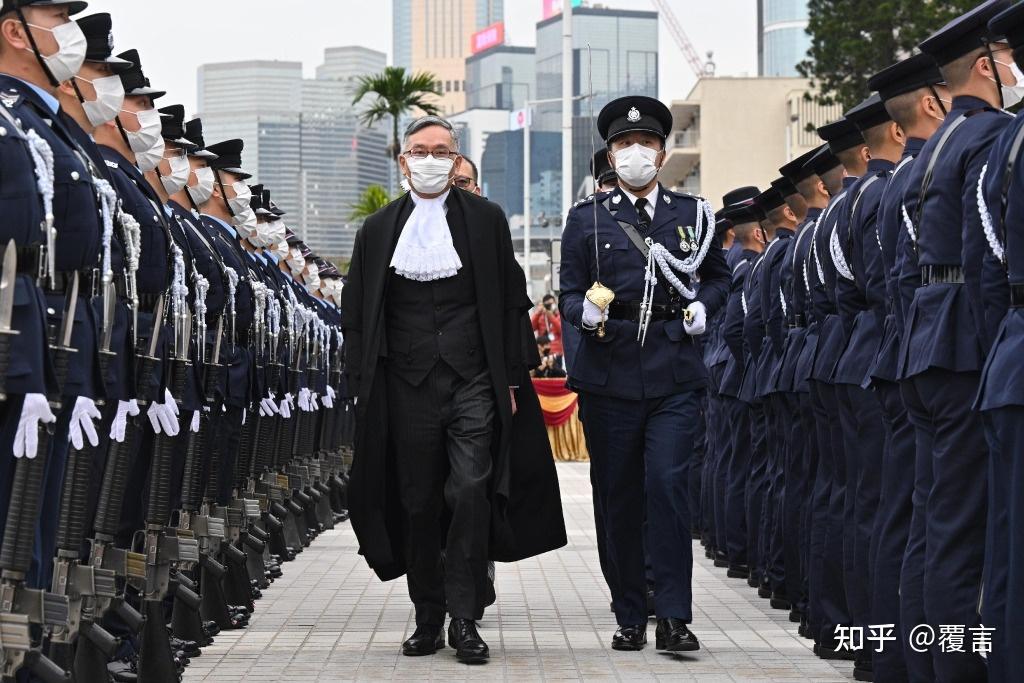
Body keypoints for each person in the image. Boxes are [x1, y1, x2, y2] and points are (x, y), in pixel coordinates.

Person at [340, 114, 565, 665]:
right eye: (421, 150)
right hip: (406, 386)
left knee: (469, 489)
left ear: (455, 155)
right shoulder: (377, 231)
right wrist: (362, 390)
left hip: (474, 380)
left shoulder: (486, 221)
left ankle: (466, 617)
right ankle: (427, 615)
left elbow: (511, 303)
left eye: (442, 151)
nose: (431, 160)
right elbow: (358, 317)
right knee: (418, 500)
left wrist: (514, 378)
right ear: (403, 160)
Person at [559, 95, 729, 652]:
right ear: (610, 154)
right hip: (609, 373)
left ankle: (674, 614)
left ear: (662, 152)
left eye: (647, 143)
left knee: (669, 487)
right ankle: (630, 611)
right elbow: (567, 290)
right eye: (625, 144)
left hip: (674, 368)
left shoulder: (694, 215)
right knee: (619, 496)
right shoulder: (586, 218)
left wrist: (707, 304)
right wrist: (580, 314)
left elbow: (717, 276)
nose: (636, 152)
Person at [899, 3, 1015, 679]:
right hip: (965, 344)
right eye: (1007, 57)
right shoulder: (989, 136)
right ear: (984, 64)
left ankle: (926, 666)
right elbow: (989, 259)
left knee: (935, 525)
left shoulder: (936, 148)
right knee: (969, 531)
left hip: (924, 339)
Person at [865, 51, 948, 683]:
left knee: (900, 511)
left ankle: (890, 655)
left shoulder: (886, 187)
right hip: (937, 352)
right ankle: (922, 660)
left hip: (900, 350)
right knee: (936, 519)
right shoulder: (926, 171)